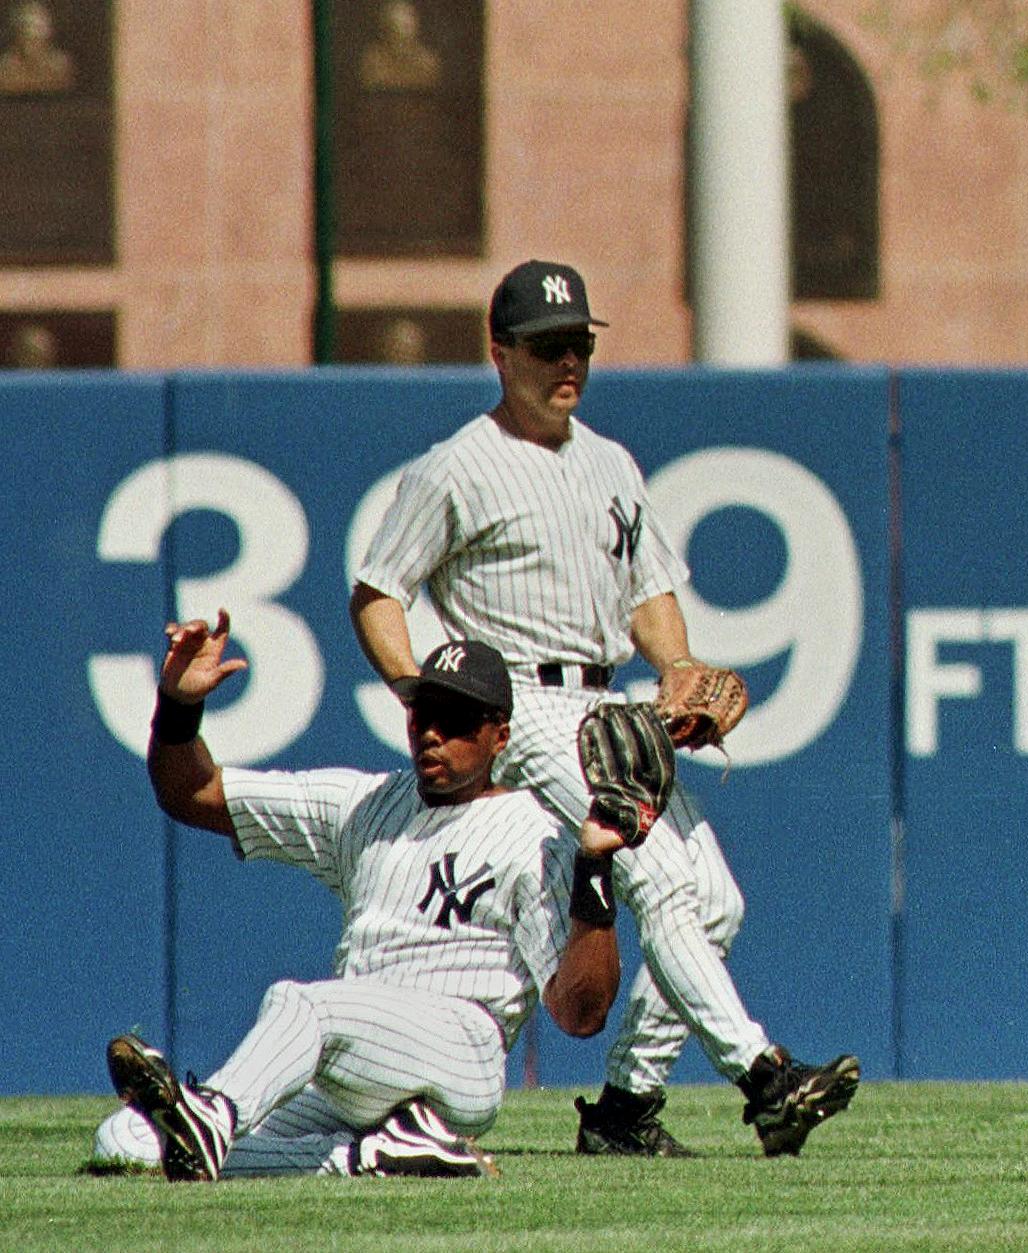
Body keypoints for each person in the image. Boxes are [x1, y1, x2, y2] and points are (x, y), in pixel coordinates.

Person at [349, 258, 859, 1158]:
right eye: (547, 347)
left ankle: (624, 1108)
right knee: (658, 880)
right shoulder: (458, 468)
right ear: (499, 353)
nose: (567, 363)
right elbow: (377, 590)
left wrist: (680, 669)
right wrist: (417, 688)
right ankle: (765, 1075)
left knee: (715, 901)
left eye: (578, 344)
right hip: (525, 706)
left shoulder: (611, 462)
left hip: (608, 702)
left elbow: (649, 591)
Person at [90, 616, 623, 1180]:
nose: (433, 732)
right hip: (351, 1058)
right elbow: (191, 792)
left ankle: (212, 1115)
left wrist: (595, 866)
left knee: (304, 1005)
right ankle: (370, 1156)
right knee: (124, 1140)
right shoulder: (362, 805)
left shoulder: (534, 836)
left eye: (458, 719)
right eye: (423, 713)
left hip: (461, 1054)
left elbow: (580, 1012)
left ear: (500, 734)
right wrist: (177, 705)